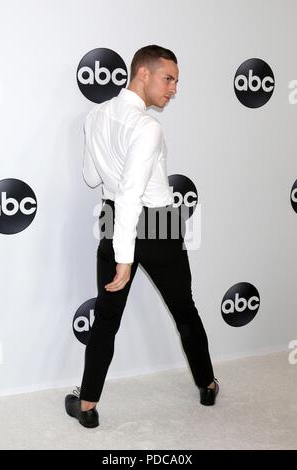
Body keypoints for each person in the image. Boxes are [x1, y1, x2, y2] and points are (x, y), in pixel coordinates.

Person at [65, 45, 219, 428]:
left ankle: (86, 406)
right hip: (154, 226)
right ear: (143, 74)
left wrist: (121, 246)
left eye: (177, 81)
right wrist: (125, 257)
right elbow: (133, 192)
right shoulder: (148, 127)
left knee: (106, 321)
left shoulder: (96, 115)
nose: (174, 89)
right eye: (168, 79)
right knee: (185, 309)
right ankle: (208, 385)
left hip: (114, 217)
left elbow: (91, 177)